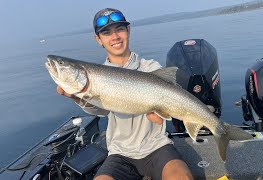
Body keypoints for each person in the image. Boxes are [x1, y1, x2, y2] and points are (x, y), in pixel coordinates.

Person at [57, 8, 193, 180]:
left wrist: (161, 115)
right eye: (106, 33)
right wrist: (78, 97)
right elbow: (102, 110)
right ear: (98, 39)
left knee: (182, 177)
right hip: (120, 153)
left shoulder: (150, 67)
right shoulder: (98, 76)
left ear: (128, 30)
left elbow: (164, 110)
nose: (115, 37)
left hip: (156, 146)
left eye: (119, 29)